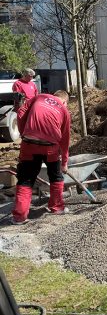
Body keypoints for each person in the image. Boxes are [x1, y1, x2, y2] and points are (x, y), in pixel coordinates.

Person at [11, 90, 71, 225]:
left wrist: (24, 133)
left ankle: (19, 217)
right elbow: (65, 139)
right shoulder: (64, 111)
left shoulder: (39, 97)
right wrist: (64, 163)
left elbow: (20, 113)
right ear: (65, 102)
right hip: (50, 147)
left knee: (25, 179)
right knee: (56, 176)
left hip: (29, 144)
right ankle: (57, 207)